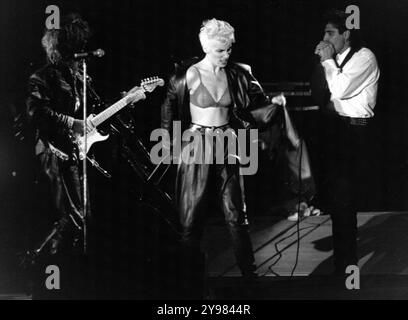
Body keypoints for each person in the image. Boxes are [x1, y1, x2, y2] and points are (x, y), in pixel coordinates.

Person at [160, 18, 285, 284]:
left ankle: (250, 275)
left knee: (236, 215)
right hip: (196, 145)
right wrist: (171, 148)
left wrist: (273, 104)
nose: (226, 54)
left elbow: (257, 104)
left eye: (229, 49)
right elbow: (169, 114)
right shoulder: (188, 75)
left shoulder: (239, 73)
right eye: (220, 50)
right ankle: (190, 279)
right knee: (190, 217)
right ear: (206, 47)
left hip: (228, 143)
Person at [25, 14, 145, 260]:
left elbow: (96, 113)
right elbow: (36, 113)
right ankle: (41, 265)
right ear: (64, 49)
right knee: (73, 215)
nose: (81, 52)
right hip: (53, 149)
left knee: (83, 215)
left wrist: (127, 100)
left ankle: (69, 267)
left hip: (74, 149)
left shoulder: (80, 77)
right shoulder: (43, 76)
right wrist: (72, 123)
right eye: (75, 47)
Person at [311, 10, 380, 275]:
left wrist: (328, 61)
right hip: (336, 130)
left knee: (345, 200)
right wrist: (322, 61)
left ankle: (346, 267)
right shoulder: (333, 59)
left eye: (330, 33)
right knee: (338, 201)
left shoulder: (364, 57)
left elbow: (340, 90)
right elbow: (319, 91)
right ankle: (342, 264)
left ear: (345, 34)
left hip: (356, 132)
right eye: (324, 33)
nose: (325, 38)